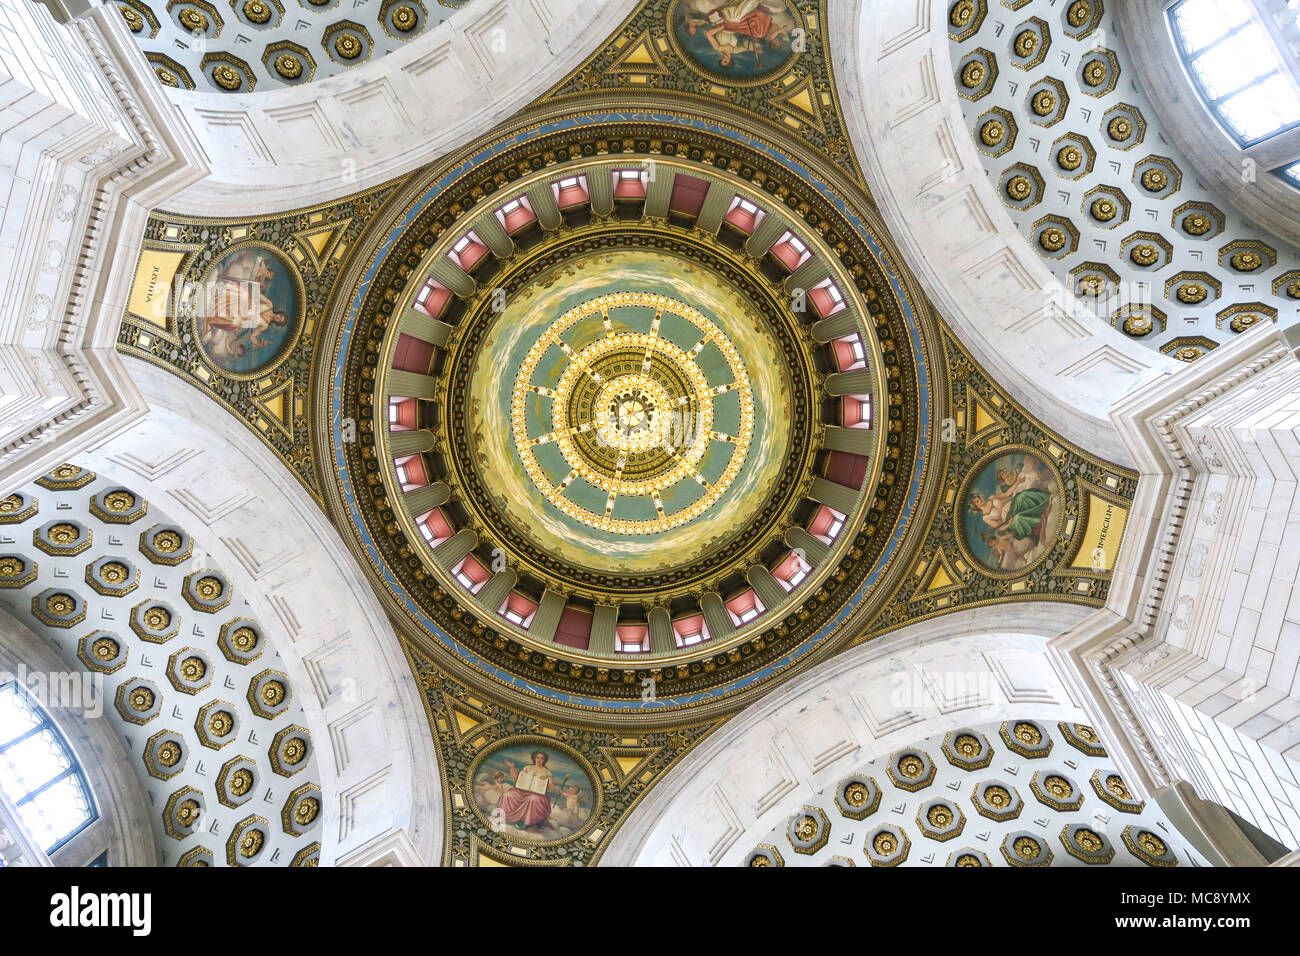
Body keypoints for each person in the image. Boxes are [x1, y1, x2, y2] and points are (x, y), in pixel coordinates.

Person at [495, 751, 561, 831]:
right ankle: (503, 817)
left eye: (542, 758)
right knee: (508, 795)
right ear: (534, 758)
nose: (539, 760)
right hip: (521, 791)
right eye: (537, 757)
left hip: (537, 794)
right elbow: (516, 778)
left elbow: (552, 788)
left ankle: (525, 822)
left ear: (544, 760)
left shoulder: (547, 772)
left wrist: (547, 780)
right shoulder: (527, 768)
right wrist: (512, 767)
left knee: (532, 799)